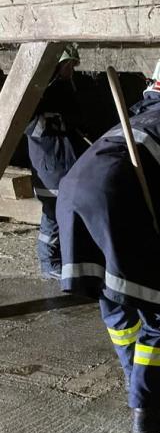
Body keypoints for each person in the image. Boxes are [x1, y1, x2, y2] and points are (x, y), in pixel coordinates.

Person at [57, 55, 160, 433]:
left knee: (115, 297)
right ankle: (150, 411)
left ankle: (138, 377)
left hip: (72, 198)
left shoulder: (139, 119)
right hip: (111, 205)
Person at [25, 44, 89, 280]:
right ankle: (49, 261)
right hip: (49, 166)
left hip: (65, 164)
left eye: (73, 65)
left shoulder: (65, 89)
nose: (71, 69)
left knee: (65, 214)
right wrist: (57, 122)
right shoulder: (38, 92)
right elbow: (30, 125)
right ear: (57, 65)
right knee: (52, 215)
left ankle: (65, 258)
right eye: (68, 65)